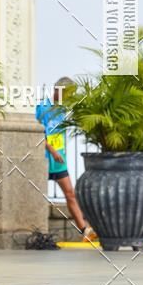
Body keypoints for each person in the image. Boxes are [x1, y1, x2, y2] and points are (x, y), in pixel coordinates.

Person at [35, 77, 96, 243]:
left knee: (70, 194)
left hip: (59, 161)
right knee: (39, 195)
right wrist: (52, 150)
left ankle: (84, 230)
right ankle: (38, 231)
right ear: (57, 90)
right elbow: (36, 133)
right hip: (44, 158)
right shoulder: (42, 107)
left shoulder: (64, 110)